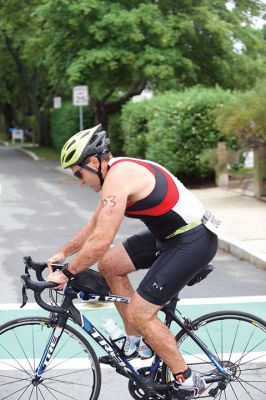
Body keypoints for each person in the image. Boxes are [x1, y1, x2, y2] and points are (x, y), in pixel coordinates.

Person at [47, 124, 218, 400]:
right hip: (167, 235)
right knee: (111, 264)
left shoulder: (119, 176)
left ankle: (187, 380)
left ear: (93, 162)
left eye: (79, 173)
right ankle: (138, 341)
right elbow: (95, 224)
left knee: (141, 312)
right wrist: (62, 253)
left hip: (193, 239)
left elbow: (102, 239)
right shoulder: (113, 174)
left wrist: (67, 272)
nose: (80, 180)